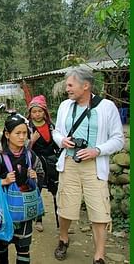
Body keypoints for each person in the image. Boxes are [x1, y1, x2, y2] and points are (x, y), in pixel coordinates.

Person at [52, 67, 124, 264]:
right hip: (69, 162)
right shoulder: (65, 106)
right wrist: (62, 141)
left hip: (94, 166)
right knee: (66, 206)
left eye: (70, 85)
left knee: (99, 210)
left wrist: (97, 150)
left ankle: (99, 255)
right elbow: (56, 132)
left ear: (86, 85)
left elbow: (118, 139)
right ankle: (63, 238)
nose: (67, 88)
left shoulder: (106, 107)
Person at [0, 113, 44, 264]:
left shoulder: (31, 156)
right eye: (18, 133)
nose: (22, 137)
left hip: (24, 210)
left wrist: (34, 178)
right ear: (7, 134)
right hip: (4, 209)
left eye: (25, 133)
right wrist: (3, 181)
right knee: (2, 244)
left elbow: (41, 175)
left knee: (24, 247)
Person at [27, 95, 60, 232]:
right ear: (30, 114)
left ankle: (60, 223)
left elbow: (58, 143)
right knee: (36, 190)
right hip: (36, 163)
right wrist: (32, 140)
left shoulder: (51, 126)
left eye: (39, 111)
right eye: (34, 112)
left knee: (56, 192)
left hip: (52, 162)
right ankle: (38, 220)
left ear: (44, 112)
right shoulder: (28, 127)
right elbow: (22, 148)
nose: (37, 114)